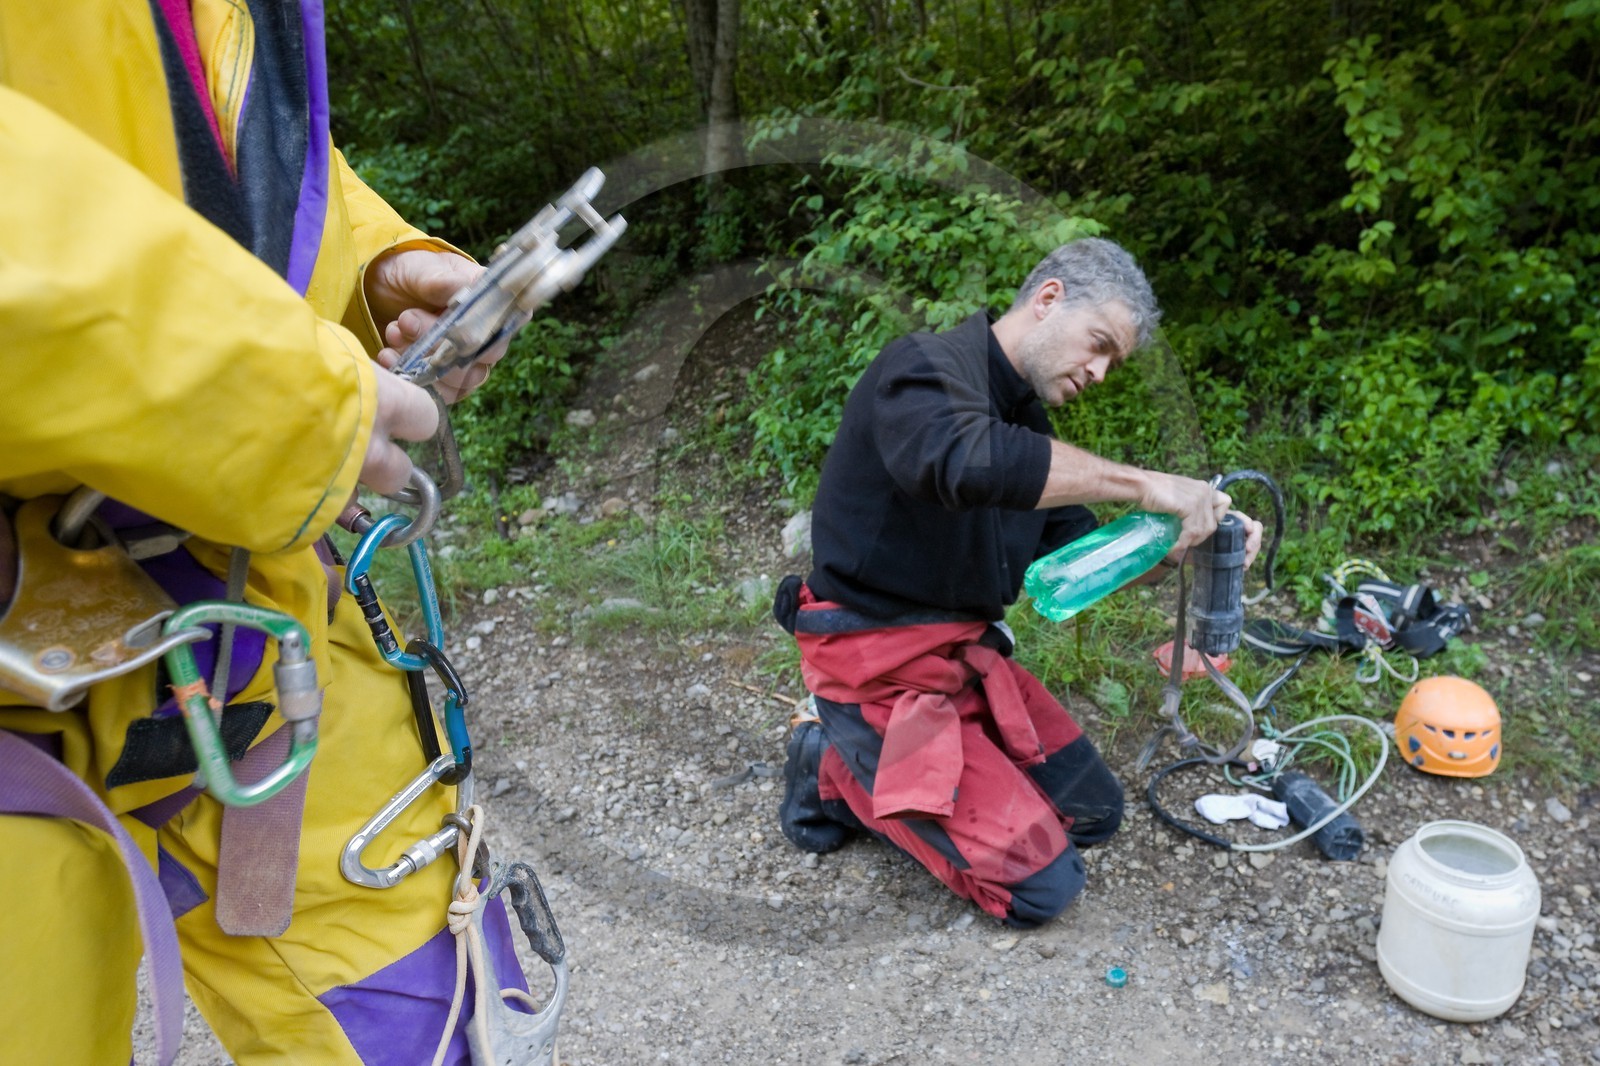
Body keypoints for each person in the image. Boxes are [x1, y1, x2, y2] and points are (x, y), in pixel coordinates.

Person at [0, 3, 528, 1063]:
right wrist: (254, 381)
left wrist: (369, 269)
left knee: (446, 1028)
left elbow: (209, 126)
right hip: (47, 658)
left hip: (257, 629)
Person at [772, 237, 1263, 928]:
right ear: (1049, 298)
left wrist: (1183, 547)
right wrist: (1146, 484)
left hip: (963, 663)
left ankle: (924, 768)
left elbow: (1080, 558)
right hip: (879, 672)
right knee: (1041, 890)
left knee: (1093, 814)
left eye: (1113, 363)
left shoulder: (1026, 426)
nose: (1099, 372)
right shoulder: (923, 368)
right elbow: (964, 460)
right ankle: (833, 766)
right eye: (1098, 345)